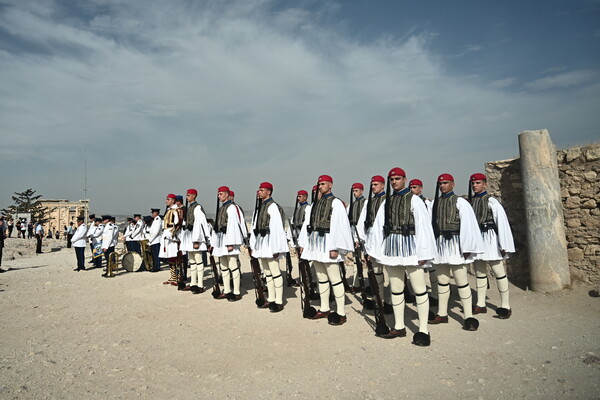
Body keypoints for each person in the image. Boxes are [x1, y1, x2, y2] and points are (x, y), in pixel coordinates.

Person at [375, 167, 436, 345]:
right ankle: (400, 326)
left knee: (419, 289)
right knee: (396, 288)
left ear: (404, 179)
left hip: (412, 249)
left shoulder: (415, 200)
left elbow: (424, 227)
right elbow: (379, 227)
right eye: (392, 179)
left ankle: (423, 329)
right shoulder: (386, 202)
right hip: (392, 249)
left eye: (397, 178)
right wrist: (376, 251)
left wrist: (424, 253)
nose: (394, 181)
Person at [430, 173, 483, 331]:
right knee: (442, 281)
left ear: (453, 184)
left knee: (461, 281)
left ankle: (468, 316)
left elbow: (468, 225)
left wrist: (466, 248)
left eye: (445, 183)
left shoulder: (461, 202)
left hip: (455, 245)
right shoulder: (434, 203)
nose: (442, 186)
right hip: (440, 245)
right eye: (440, 184)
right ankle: (442, 313)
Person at [299, 175, 353, 325]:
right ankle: (324, 308)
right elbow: (307, 225)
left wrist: (335, 247)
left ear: (330, 185)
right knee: (321, 278)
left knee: (335, 279)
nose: (321, 186)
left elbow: (340, 226)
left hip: (329, 244)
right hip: (316, 245)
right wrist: (304, 242)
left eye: (323, 184)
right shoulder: (315, 204)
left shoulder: (336, 203)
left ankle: (341, 312)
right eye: (319, 184)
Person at [469, 173, 515, 319]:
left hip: (490, 239)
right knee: (480, 273)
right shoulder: (470, 202)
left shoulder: (492, 202)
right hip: (477, 240)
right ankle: (481, 304)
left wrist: (504, 244)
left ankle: (505, 306)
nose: (475, 185)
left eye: (477, 183)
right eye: (473, 183)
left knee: (498, 272)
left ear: (485, 184)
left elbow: (501, 223)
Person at [250, 182, 288, 312]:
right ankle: (271, 298)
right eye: (259, 190)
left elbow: (277, 228)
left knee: (275, 272)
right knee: (267, 273)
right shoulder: (260, 206)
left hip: (270, 242)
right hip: (261, 243)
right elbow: (254, 227)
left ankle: (279, 301)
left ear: (269, 192)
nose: (259, 192)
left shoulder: (273, 207)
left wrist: (276, 248)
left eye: (261, 190)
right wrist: (253, 245)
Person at [357, 175, 391, 311]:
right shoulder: (368, 202)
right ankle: (379, 300)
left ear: (383, 185)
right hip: (371, 236)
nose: (373, 187)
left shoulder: (388, 200)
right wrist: (359, 237)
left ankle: (390, 301)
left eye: (376, 184)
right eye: (372, 185)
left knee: (391, 271)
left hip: (386, 237)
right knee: (376, 271)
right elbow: (362, 221)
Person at [211, 186, 244, 301]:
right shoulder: (222, 208)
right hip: (221, 239)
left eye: (220, 194)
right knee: (223, 266)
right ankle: (227, 290)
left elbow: (233, 226)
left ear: (226, 194)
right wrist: (214, 242)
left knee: (233, 266)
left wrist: (231, 243)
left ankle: (236, 291)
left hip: (229, 240)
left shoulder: (231, 208)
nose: (218, 196)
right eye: (218, 194)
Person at [181, 189, 210, 293]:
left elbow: (200, 224)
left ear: (194, 196)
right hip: (189, 237)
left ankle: (200, 284)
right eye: (186, 195)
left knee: (198, 260)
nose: (187, 197)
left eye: (188, 195)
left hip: (195, 237)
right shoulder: (189, 208)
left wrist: (197, 240)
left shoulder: (197, 207)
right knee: (192, 262)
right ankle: (193, 283)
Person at [160, 194, 183, 286]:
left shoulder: (175, 210)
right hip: (166, 234)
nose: (166, 201)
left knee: (175, 256)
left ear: (173, 200)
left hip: (171, 235)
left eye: (168, 199)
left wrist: (172, 233)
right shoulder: (169, 210)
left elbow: (178, 223)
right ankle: (173, 276)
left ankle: (178, 276)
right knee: (170, 257)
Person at [148, 208, 163, 272]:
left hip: (155, 240)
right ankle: (154, 266)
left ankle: (156, 267)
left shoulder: (158, 219)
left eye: (153, 213)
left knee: (156, 255)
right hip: (153, 240)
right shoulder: (155, 220)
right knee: (154, 255)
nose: (152, 214)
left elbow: (155, 232)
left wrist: (150, 239)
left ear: (156, 213)